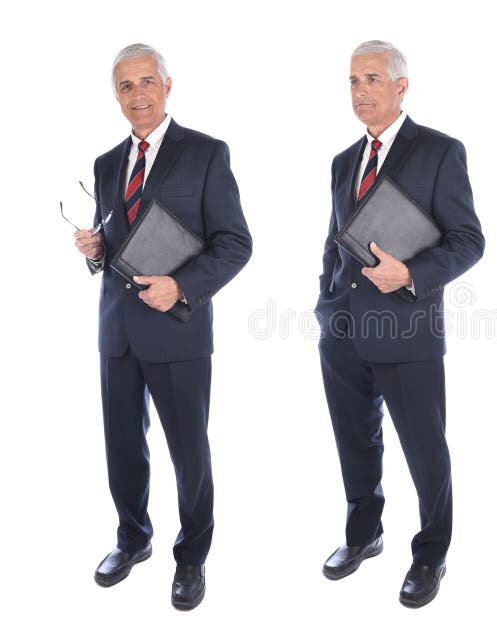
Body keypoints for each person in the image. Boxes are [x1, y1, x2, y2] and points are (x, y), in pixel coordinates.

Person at [73, 43, 252, 611]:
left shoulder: (205, 154)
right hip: (117, 331)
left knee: (187, 451)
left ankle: (192, 555)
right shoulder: (106, 164)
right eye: (126, 87)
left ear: (168, 87)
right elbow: (115, 249)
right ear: (117, 96)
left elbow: (235, 244)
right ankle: (132, 539)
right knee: (122, 447)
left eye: (147, 82)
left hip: (177, 328)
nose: (138, 95)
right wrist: (95, 249)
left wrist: (183, 285)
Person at [315, 40, 484, 608]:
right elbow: (333, 241)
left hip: (407, 328)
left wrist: (411, 274)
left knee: (425, 447)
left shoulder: (439, 152)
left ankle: (431, 551)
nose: (361, 92)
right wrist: (325, 305)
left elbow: (469, 241)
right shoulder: (343, 162)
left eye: (372, 80)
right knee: (354, 442)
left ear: (401, 86)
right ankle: (364, 534)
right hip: (342, 331)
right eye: (353, 82)